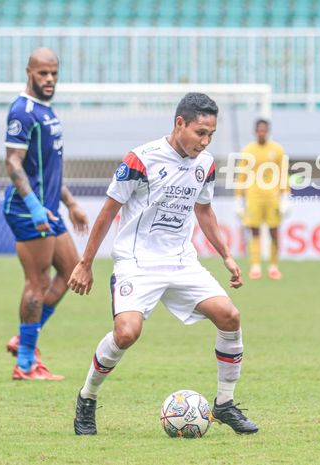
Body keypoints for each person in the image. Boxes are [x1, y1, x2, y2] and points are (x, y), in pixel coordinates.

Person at [68, 93, 259, 436]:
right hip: (137, 262)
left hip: (181, 261)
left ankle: (225, 404)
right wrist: (85, 263)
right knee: (127, 334)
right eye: (200, 132)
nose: (205, 142)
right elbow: (108, 212)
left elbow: (204, 211)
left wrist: (226, 255)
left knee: (230, 316)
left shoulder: (206, 164)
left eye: (211, 135)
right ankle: (87, 397)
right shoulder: (140, 160)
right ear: (179, 123)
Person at [3, 47, 89, 381]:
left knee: (70, 271)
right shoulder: (22, 111)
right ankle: (25, 363)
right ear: (29, 72)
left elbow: (46, 171)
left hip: (49, 207)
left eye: (53, 72)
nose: (49, 79)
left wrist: (70, 203)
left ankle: (24, 337)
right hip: (28, 211)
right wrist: (36, 207)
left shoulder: (47, 112)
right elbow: (13, 162)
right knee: (36, 283)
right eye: (43, 73)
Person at [235, 119, 288, 280]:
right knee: (254, 232)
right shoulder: (247, 150)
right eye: (259, 130)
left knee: (274, 232)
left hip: (272, 197)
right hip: (253, 197)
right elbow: (241, 175)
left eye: (264, 130)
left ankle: (273, 266)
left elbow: (283, 173)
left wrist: (285, 196)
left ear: (268, 131)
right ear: (255, 131)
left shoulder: (277, 150)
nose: (262, 133)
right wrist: (238, 200)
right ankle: (255, 266)